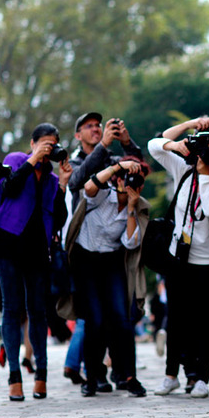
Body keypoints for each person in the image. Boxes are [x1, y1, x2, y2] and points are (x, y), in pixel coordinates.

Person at [147, 116, 209, 398]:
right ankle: (172, 374)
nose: (208, 144)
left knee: (203, 321)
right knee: (176, 320)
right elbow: (154, 145)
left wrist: (206, 173)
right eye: (203, 137)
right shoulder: (183, 167)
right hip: (178, 257)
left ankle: (200, 377)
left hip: (208, 261)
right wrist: (183, 134)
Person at [0, 123, 72, 401]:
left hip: (38, 250)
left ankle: (41, 375)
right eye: (44, 143)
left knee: (38, 311)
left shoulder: (51, 179)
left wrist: (62, 184)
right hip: (7, 244)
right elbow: (10, 188)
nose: (49, 148)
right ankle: (14, 376)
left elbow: (58, 219)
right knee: (12, 309)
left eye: (53, 144)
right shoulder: (16, 160)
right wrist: (33, 159)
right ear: (33, 143)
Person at [66, 157, 150, 397]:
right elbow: (89, 187)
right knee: (95, 320)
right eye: (127, 178)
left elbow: (130, 242)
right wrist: (118, 167)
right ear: (117, 179)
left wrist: (131, 208)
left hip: (112, 261)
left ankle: (130, 377)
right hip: (86, 260)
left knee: (122, 319)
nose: (130, 183)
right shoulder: (102, 195)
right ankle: (92, 378)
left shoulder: (140, 206)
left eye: (137, 180)